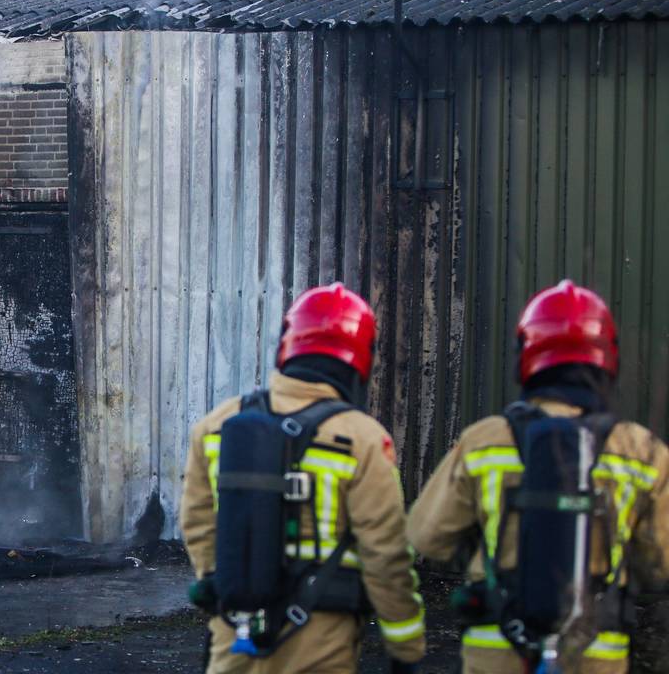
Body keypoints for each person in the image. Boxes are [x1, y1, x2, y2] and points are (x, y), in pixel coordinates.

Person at [408, 280, 669, 674]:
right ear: (607, 357)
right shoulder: (642, 450)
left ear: (526, 354)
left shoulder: (484, 441)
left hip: (495, 651)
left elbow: (427, 538)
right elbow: (661, 565)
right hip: (597, 654)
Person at [181, 283, 425, 673]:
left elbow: (198, 524)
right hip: (321, 644)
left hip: (235, 639)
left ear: (287, 344)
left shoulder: (215, 425)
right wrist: (406, 646)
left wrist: (225, 586)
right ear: (360, 358)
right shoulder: (361, 438)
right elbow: (386, 553)